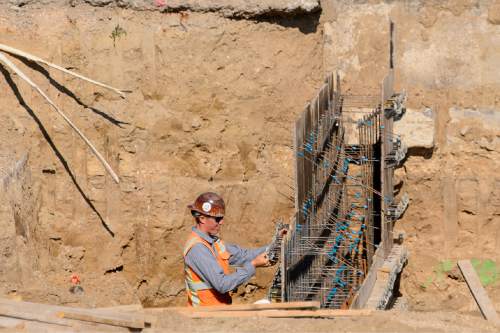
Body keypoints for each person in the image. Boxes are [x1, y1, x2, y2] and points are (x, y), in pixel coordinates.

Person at [183, 192, 271, 307]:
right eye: (218, 219)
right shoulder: (197, 249)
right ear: (202, 218)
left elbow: (244, 255)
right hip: (205, 317)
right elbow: (222, 284)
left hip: (220, 312)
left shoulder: (213, 243)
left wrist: (276, 244)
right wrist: (253, 265)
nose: (221, 222)